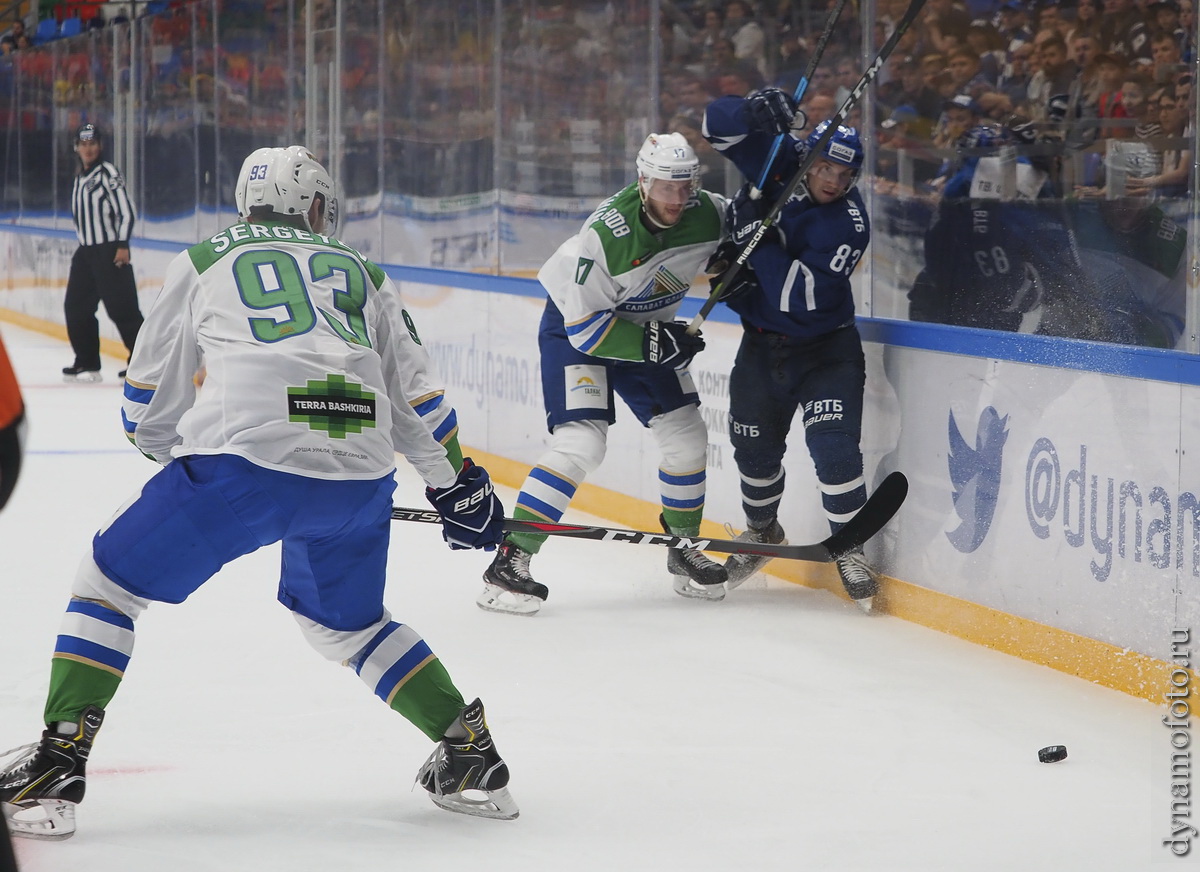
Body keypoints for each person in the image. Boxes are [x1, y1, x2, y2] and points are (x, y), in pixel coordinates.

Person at [0, 146, 517, 840]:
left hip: (238, 471)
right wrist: (458, 487)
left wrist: (169, 452)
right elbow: (415, 394)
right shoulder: (364, 269)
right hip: (359, 479)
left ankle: (58, 761)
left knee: (106, 584)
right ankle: (468, 750)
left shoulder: (207, 257)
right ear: (313, 205)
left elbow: (148, 397)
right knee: (352, 624)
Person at [479, 133, 727, 616]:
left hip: (642, 329)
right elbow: (587, 332)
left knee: (688, 437)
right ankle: (510, 562)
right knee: (582, 444)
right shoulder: (607, 235)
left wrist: (731, 262)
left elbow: (736, 236)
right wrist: (656, 344)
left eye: (684, 186)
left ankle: (683, 548)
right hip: (578, 328)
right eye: (663, 187)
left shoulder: (710, 211)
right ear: (642, 182)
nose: (676, 199)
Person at [702, 88, 879, 611]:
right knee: (753, 454)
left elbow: (794, 298)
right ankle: (763, 533)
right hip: (760, 350)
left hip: (825, 351)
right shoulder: (781, 162)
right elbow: (718, 127)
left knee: (834, 451)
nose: (834, 182)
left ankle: (851, 547)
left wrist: (757, 238)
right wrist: (752, 110)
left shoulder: (848, 224)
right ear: (808, 159)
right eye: (826, 168)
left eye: (845, 176)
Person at [62, 123, 143, 383]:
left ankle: (144, 363)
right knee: (76, 307)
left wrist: (122, 245)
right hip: (85, 253)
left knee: (123, 310)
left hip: (110, 251)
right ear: (77, 147)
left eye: (92, 144)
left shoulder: (108, 173)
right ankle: (86, 361)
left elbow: (127, 211)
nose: (88, 149)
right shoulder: (80, 177)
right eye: (83, 144)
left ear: (100, 146)